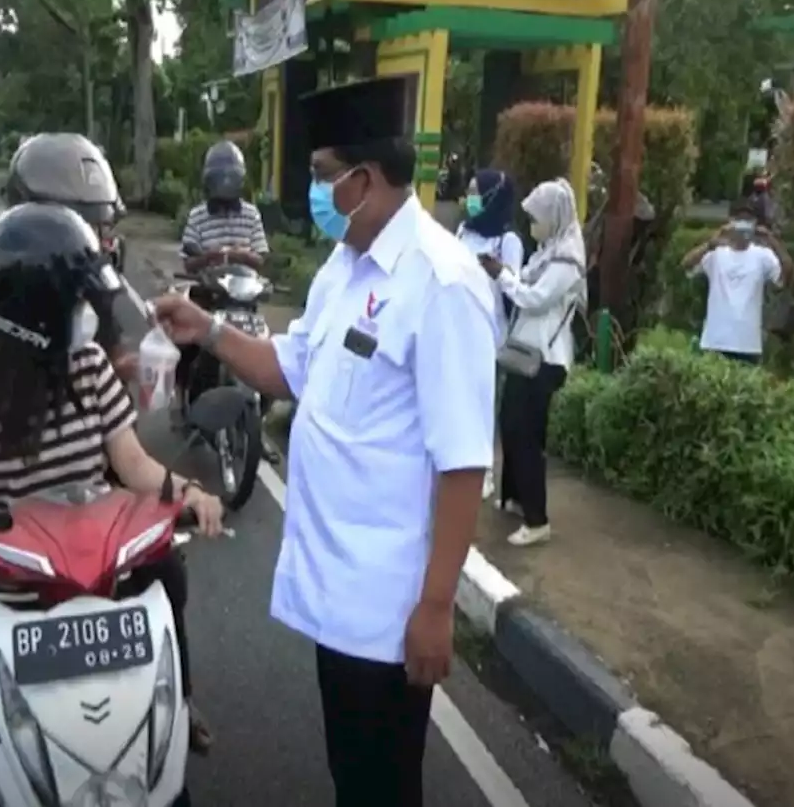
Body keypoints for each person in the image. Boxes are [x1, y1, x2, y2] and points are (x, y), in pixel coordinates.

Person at [151, 77, 498, 807]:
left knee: (383, 784)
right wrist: (207, 329)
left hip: (387, 602)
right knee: (352, 772)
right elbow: (291, 367)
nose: (312, 193)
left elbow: (464, 461)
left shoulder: (441, 285)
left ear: (363, 180)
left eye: (320, 177)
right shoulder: (345, 265)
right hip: (336, 589)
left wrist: (436, 607)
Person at [0, 203, 224, 806]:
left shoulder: (90, 368)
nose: (88, 315)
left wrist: (191, 493)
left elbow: (134, 465)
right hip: (7, 578)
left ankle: (181, 701)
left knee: (168, 571)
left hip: (99, 564)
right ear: (34, 312)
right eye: (75, 302)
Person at [0, 132, 138, 383]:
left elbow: (113, 350)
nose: (97, 241)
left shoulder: (90, 276)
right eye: (85, 227)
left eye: (98, 228)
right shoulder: (8, 273)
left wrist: (145, 366)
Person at [478, 178, 587, 547]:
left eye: (537, 218)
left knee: (525, 437)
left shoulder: (567, 260)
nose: (532, 225)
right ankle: (514, 499)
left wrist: (502, 276)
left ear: (553, 218)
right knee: (510, 426)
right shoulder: (546, 251)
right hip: (525, 355)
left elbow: (534, 298)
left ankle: (537, 520)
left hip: (545, 361)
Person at [174, 140, 270, 418]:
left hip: (243, 298)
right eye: (220, 179)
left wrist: (240, 255)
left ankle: (259, 416)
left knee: (266, 350)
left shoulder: (251, 215)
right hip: (208, 296)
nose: (225, 185)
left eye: (230, 178)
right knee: (187, 344)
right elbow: (189, 262)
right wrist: (211, 256)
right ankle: (182, 400)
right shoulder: (198, 216)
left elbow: (260, 257)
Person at [457, 168, 524, 500]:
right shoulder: (462, 232)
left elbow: (516, 287)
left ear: (491, 197)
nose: (469, 198)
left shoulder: (507, 241)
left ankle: (483, 472)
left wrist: (497, 271)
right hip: (457, 330)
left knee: (483, 404)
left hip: (489, 334)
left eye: (475, 192)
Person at [680, 198, 794, 365]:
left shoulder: (763, 256)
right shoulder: (716, 253)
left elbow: (788, 276)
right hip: (714, 342)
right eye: (739, 219)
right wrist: (710, 243)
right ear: (730, 222)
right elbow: (686, 265)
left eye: (748, 220)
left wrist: (772, 241)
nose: (743, 225)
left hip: (748, 346)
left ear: (755, 223)